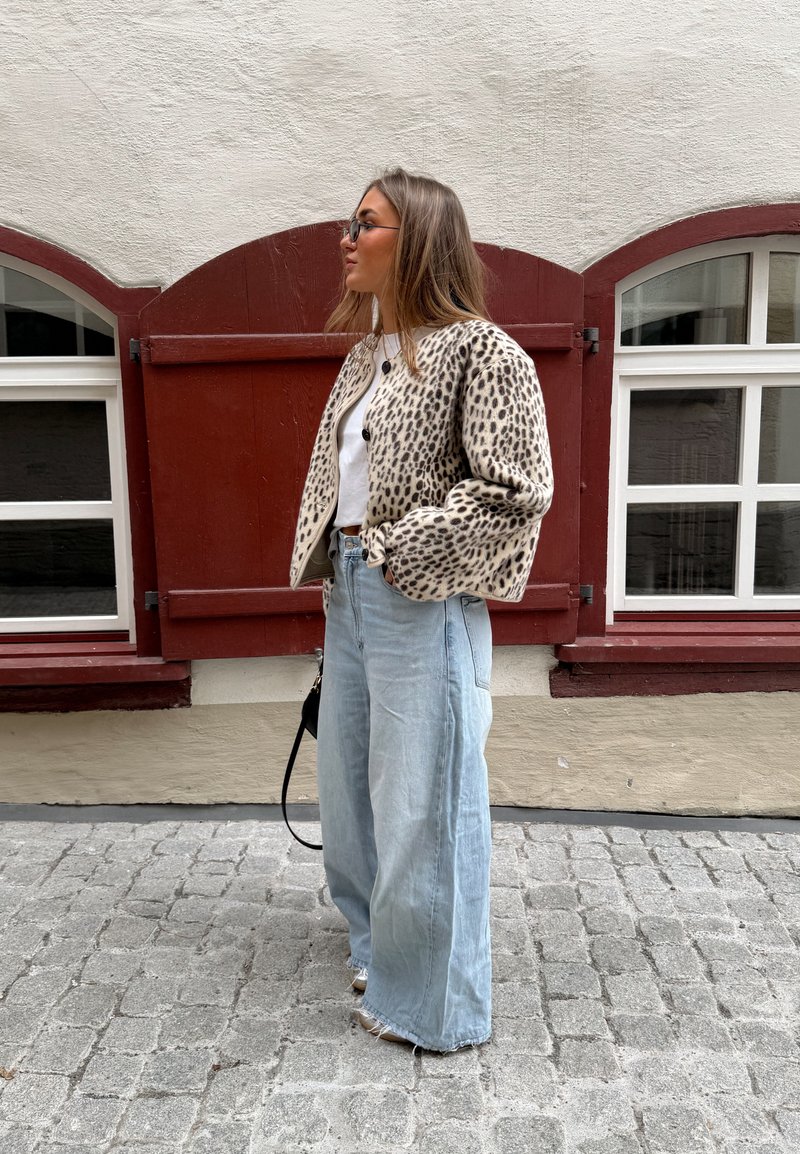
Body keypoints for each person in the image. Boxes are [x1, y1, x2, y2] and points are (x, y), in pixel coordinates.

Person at [289, 167, 553, 1052]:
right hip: (351, 592)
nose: (346, 238)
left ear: (421, 239)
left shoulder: (484, 351)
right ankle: (376, 944)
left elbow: (519, 489)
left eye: (364, 223)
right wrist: (340, 563)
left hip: (419, 596)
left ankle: (433, 1008)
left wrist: (403, 553)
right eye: (348, 221)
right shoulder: (367, 355)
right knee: (351, 795)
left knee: (423, 801)